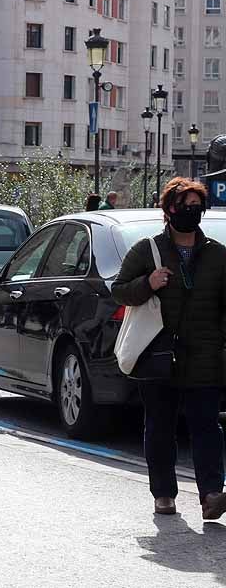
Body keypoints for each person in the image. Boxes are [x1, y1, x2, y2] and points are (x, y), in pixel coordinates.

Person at [112, 178, 226, 520]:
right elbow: (119, 291)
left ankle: (211, 494)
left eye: (197, 207)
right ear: (169, 210)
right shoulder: (147, 250)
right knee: (160, 426)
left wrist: (219, 338)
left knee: (206, 425)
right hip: (159, 354)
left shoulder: (218, 255)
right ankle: (163, 493)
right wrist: (147, 283)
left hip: (204, 355)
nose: (190, 213)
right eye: (184, 206)